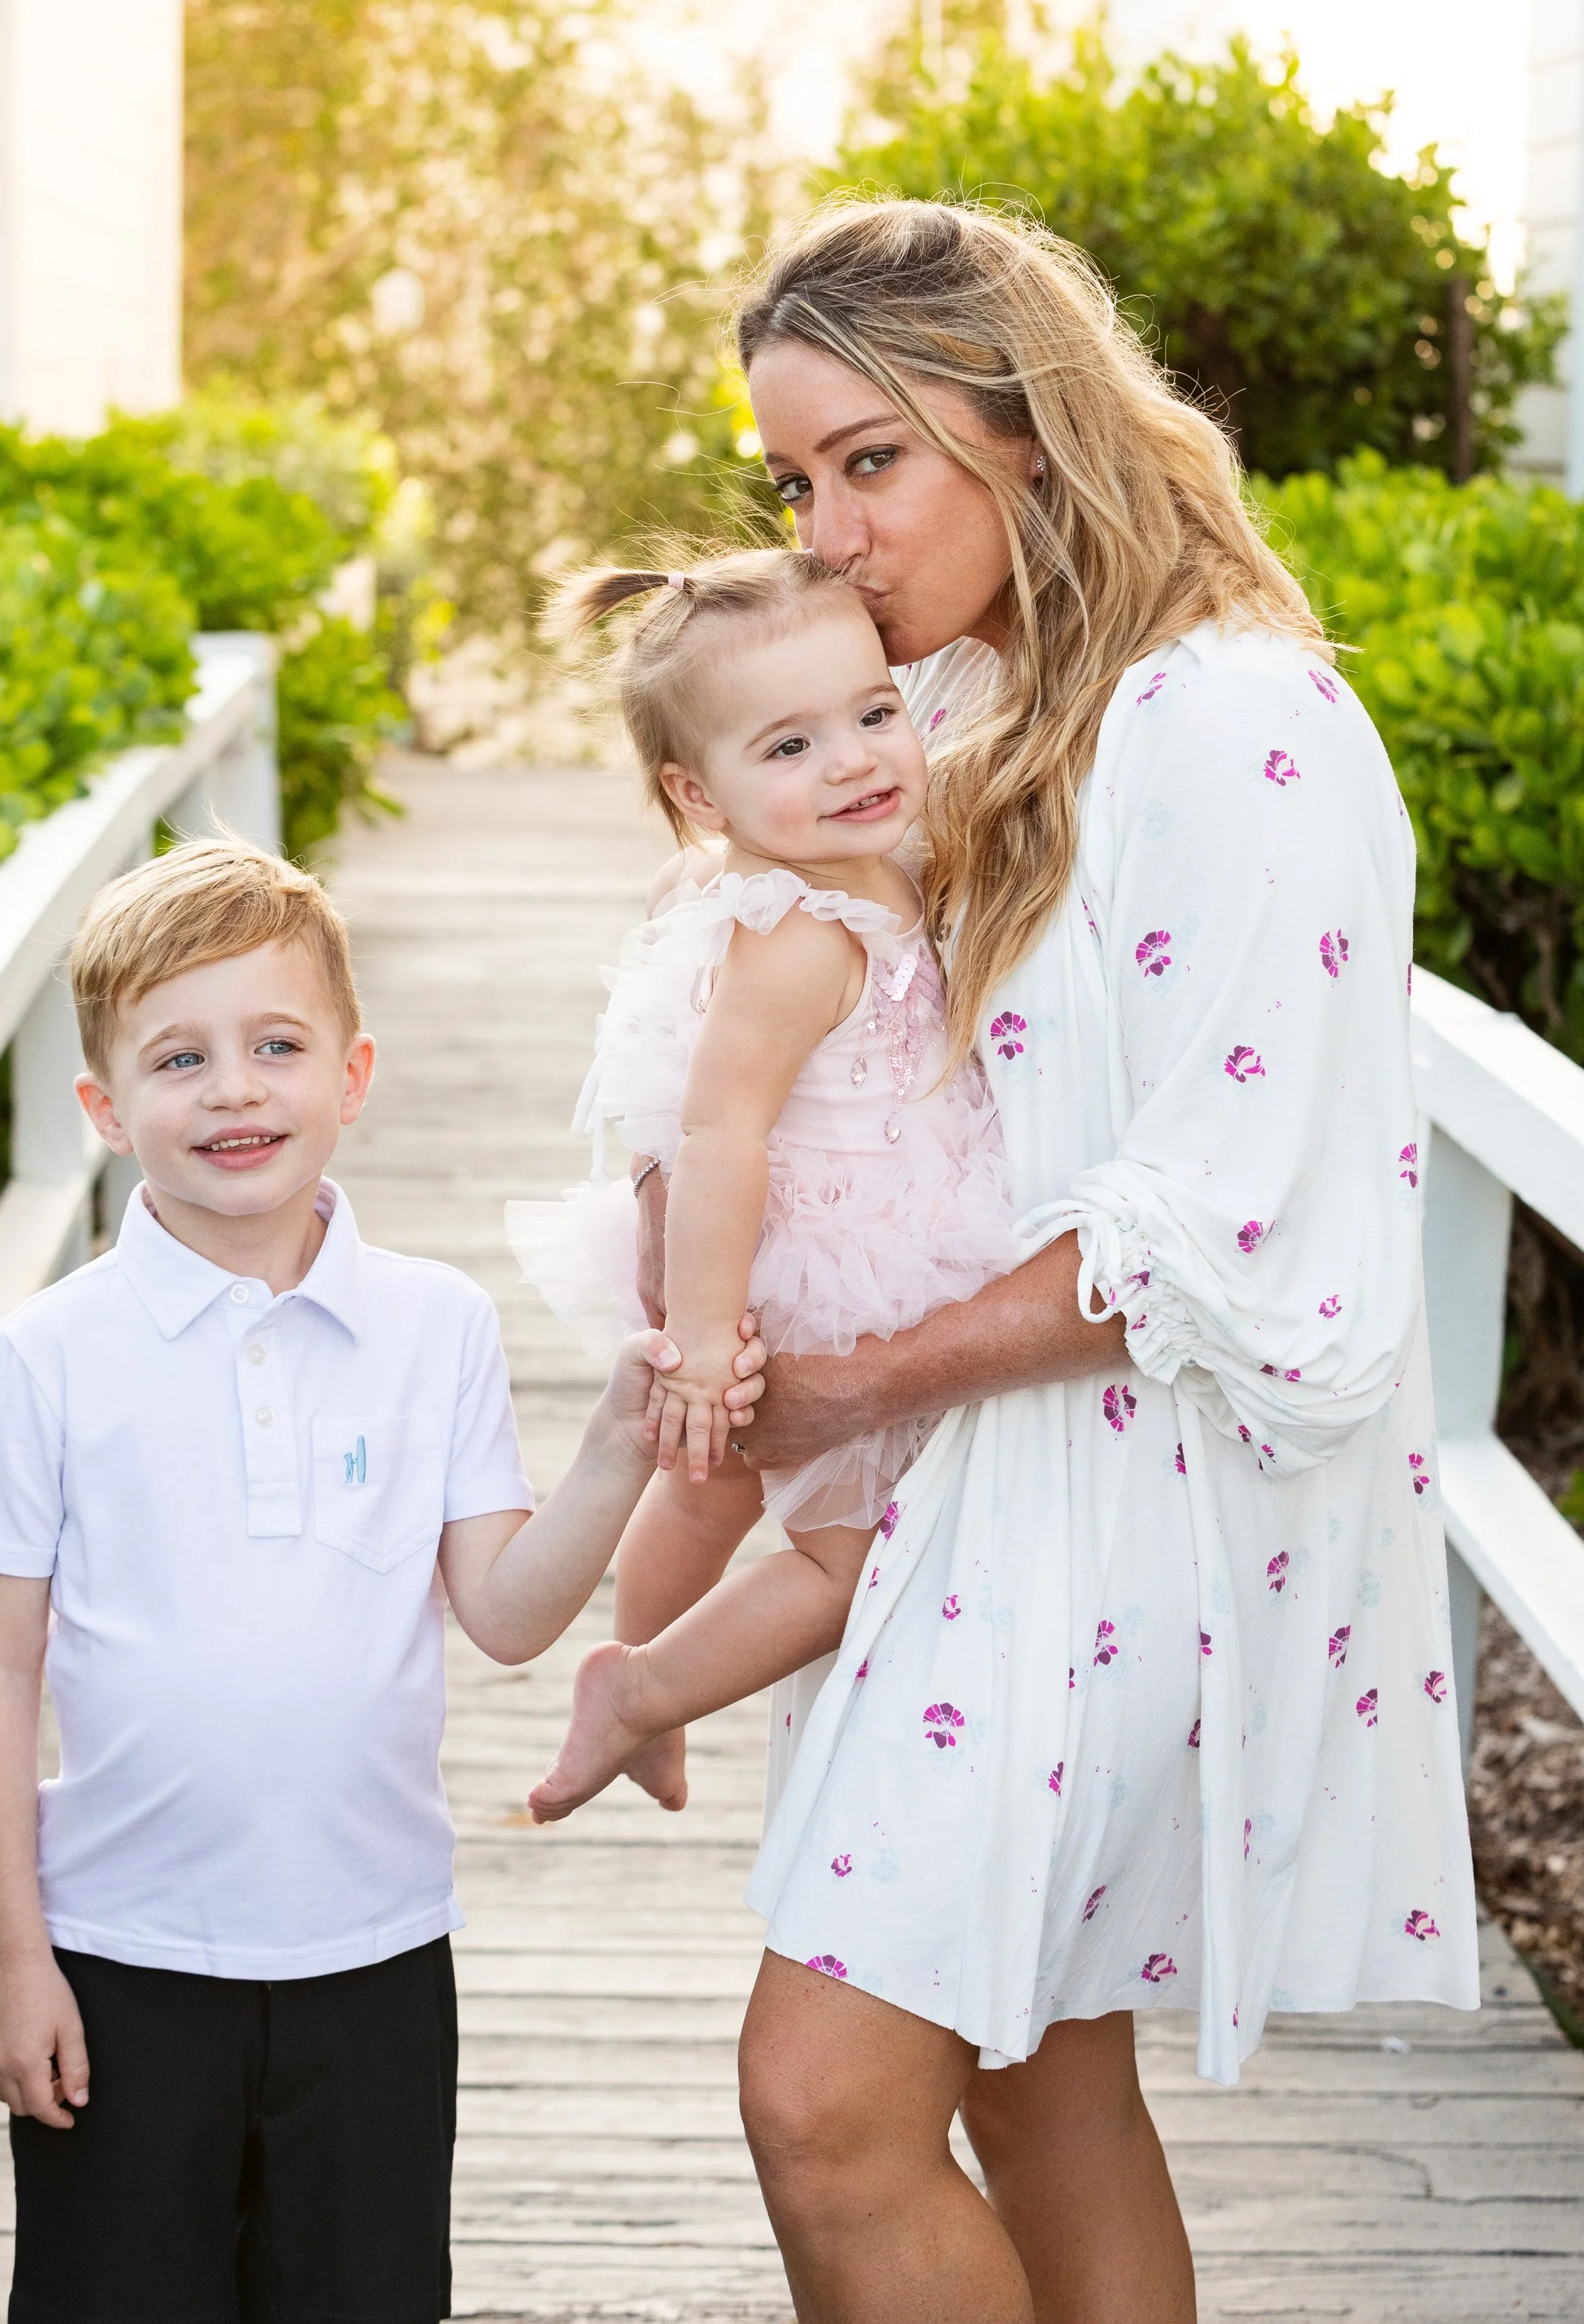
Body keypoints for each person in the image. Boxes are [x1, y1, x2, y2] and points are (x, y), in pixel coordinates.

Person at [629, 200, 1478, 2324]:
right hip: (977, 1487)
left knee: (824, 2102)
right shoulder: (977, 695)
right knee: (1035, 2076)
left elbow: (1225, 1213)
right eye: (793, 478)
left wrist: (846, 1385)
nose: (825, 532)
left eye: (866, 460)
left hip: (1121, 1505)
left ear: (1019, 421)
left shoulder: (1238, 721)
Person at [0, 838, 762, 2324]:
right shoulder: (51, 1354)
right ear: (105, 1111)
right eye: (178, 1059)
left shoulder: (432, 1326)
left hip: (373, 1954)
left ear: (354, 1072)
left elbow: (506, 1616)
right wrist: (13, 1960)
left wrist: (617, 1449)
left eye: (275, 1046)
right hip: (120, 1952)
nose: (235, 1089)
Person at [506, 550, 1019, 1821]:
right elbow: (722, 1129)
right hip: (822, 1260)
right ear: (699, 789)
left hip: (844, 1231)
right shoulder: (798, 932)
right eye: (788, 747)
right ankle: (642, 1691)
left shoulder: (858, 859)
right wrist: (699, 1336)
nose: (852, 761)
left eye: (874, 713)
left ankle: (633, 1682)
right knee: (851, 1555)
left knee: (708, 1485)